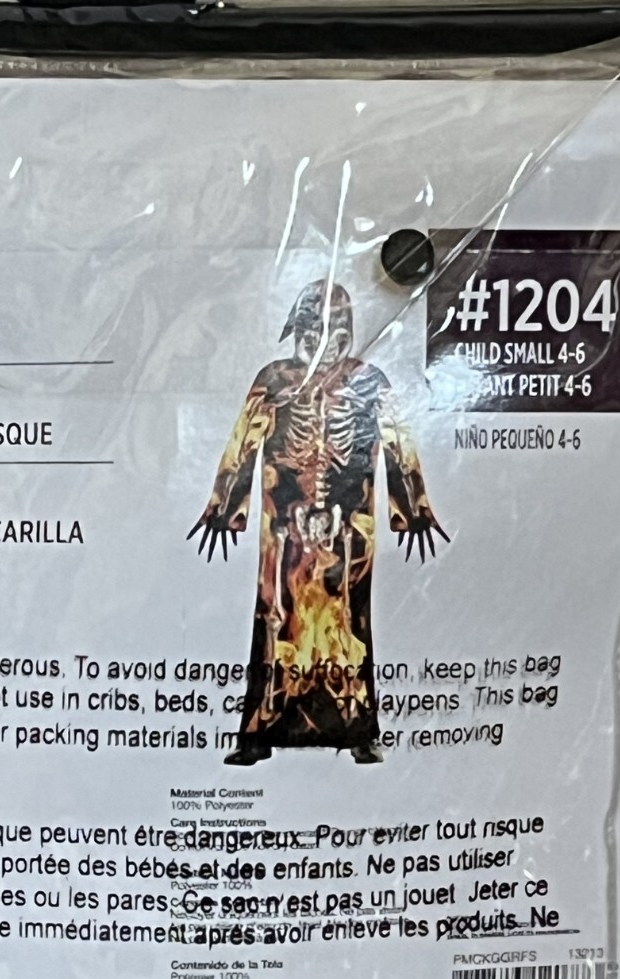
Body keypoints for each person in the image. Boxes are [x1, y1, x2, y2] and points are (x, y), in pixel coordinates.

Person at [190, 279, 447, 766]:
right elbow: (245, 441)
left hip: (349, 529)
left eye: (334, 333)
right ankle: (260, 732)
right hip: (284, 529)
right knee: (276, 619)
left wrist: (414, 509)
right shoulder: (275, 380)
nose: (324, 344)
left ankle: (358, 730)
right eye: (313, 333)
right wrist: (223, 507)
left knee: (351, 622)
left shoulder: (369, 381)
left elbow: (397, 441)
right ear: (297, 333)